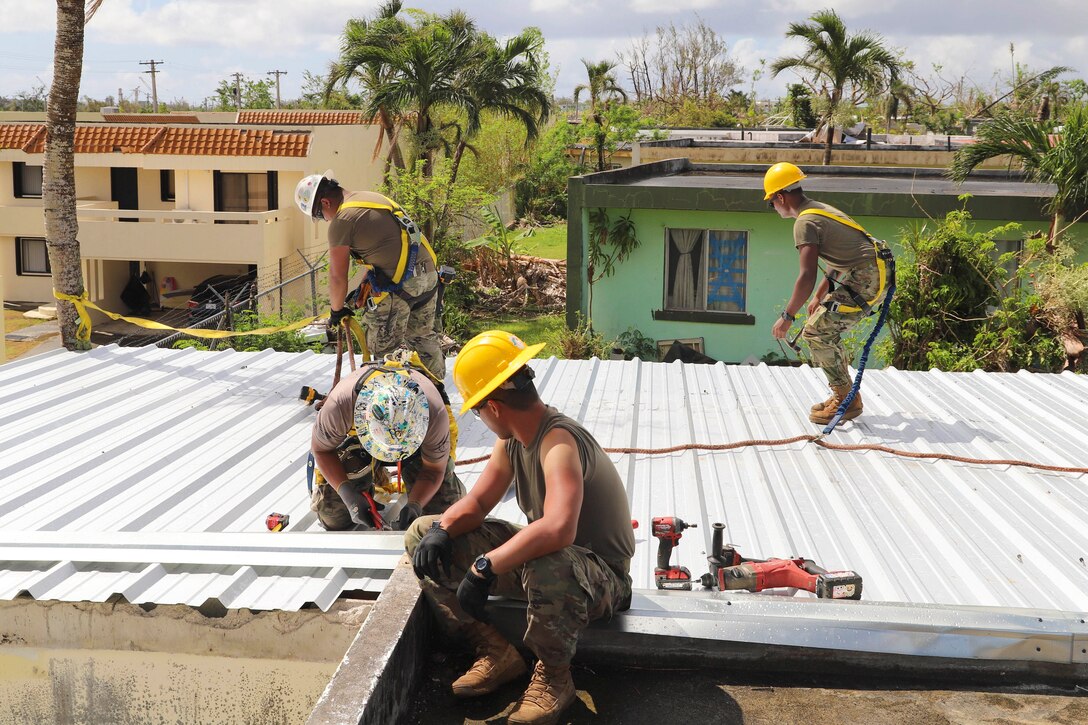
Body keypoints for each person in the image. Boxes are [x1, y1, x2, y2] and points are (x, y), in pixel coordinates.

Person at [405, 330, 635, 725]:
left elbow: (560, 528)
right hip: (551, 564)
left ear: (493, 406)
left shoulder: (558, 441)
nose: (481, 417)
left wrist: (484, 567)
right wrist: (442, 529)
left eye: (477, 410)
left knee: (550, 560)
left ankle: (554, 677)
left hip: (600, 577)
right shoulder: (514, 440)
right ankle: (496, 651)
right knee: (422, 535)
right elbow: (476, 504)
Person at [764, 162, 893, 425]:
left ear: (780, 197)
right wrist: (818, 297)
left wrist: (787, 316)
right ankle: (846, 395)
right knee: (824, 328)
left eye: (771, 202)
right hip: (876, 271)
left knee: (814, 333)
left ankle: (846, 399)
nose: (773, 208)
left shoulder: (805, 221)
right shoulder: (818, 210)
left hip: (868, 276)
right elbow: (838, 259)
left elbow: (806, 274)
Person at [294, 171, 445, 379]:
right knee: (423, 339)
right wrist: (365, 284)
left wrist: (336, 311)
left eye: (319, 216)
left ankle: (392, 400)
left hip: (400, 287)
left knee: (384, 352)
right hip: (428, 278)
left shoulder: (342, 221)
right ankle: (437, 396)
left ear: (325, 203)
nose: (324, 220)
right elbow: (384, 247)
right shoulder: (372, 198)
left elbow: (337, 277)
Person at [310, 352, 465, 531]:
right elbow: (321, 450)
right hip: (358, 444)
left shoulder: (434, 414)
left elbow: (434, 469)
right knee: (335, 518)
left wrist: (415, 505)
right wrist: (348, 495)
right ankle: (361, 484)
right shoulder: (340, 406)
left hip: (416, 448)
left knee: (443, 514)